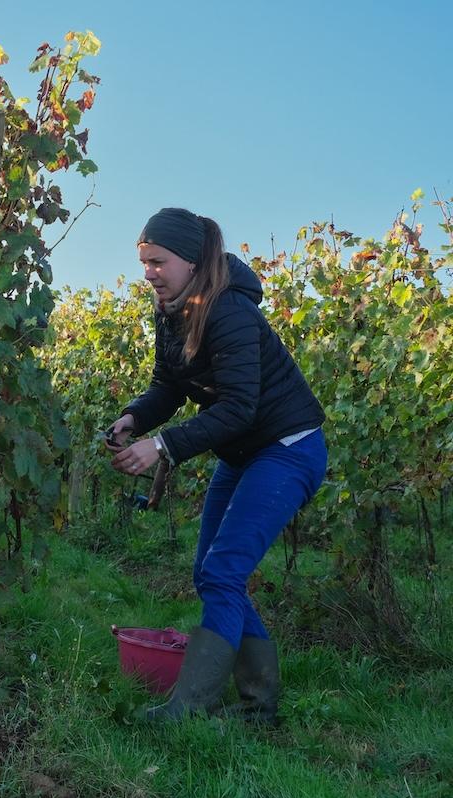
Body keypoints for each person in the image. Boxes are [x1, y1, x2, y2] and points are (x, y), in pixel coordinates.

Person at [105, 208, 326, 723]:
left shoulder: (230, 312)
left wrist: (160, 448)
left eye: (157, 262)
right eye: (144, 264)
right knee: (212, 574)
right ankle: (259, 707)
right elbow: (169, 385)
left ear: (191, 260)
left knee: (224, 572)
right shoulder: (171, 308)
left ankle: (189, 709)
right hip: (243, 451)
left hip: (288, 447)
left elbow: (239, 407)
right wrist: (133, 417)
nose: (149, 273)